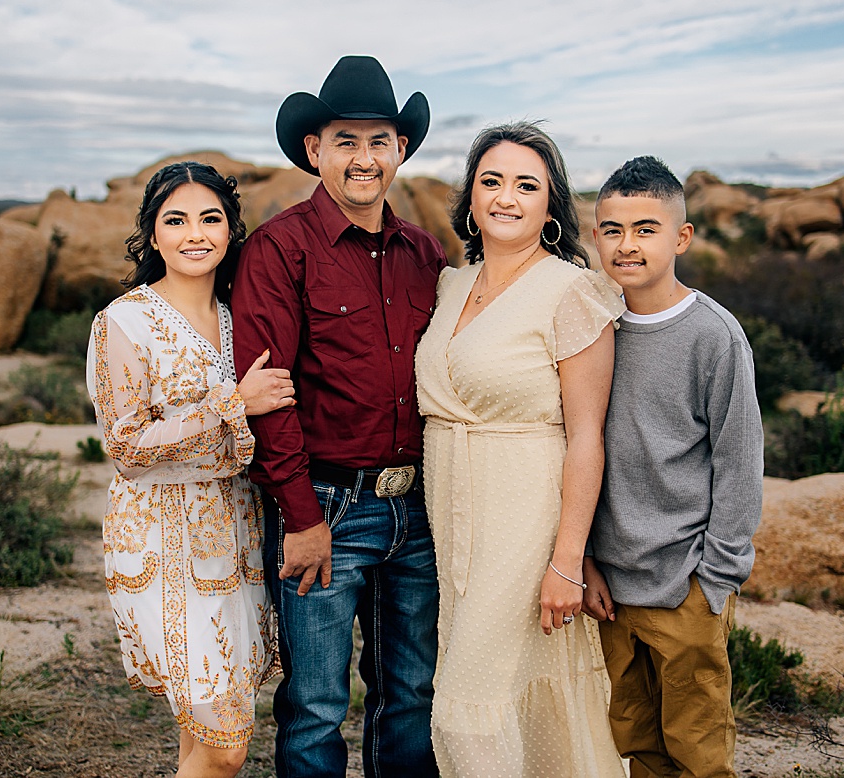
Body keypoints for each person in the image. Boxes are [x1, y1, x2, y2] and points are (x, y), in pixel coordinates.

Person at [230, 57, 446, 778]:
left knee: (411, 697)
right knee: (317, 704)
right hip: (325, 504)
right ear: (314, 150)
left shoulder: (425, 253)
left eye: (378, 140)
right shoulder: (279, 249)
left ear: (401, 150)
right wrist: (299, 516)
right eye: (345, 140)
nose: (364, 158)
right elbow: (268, 395)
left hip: (417, 509)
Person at [415, 123, 627, 778]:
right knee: (502, 702)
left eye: (526, 185)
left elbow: (587, 435)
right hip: (452, 525)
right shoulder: (453, 284)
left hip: (525, 520)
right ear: (471, 198)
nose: (507, 197)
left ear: (550, 203)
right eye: (492, 181)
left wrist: (568, 559)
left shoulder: (570, 290)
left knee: (464, 709)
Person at [86, 161, 297, 778]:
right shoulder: (122, 322)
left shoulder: (241, 318)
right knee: (226, 745)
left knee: (202, 733)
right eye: (174, 220)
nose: (194, 233)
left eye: (211, 218)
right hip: (159, 538)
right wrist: (231, 405)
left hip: (236, 536)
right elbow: (126, 444)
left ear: (232, 230)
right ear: (153, 236)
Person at [584, 156, 763, 778]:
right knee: (639, 743)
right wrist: (585, 558)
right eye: (611, 229)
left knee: (698, 749)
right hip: (610, 585)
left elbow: (739, 462)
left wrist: (716, 579)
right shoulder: (593, 323)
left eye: (645, 228)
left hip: (684, 583)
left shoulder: (714, 334)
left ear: (681, 237)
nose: (626, 245)